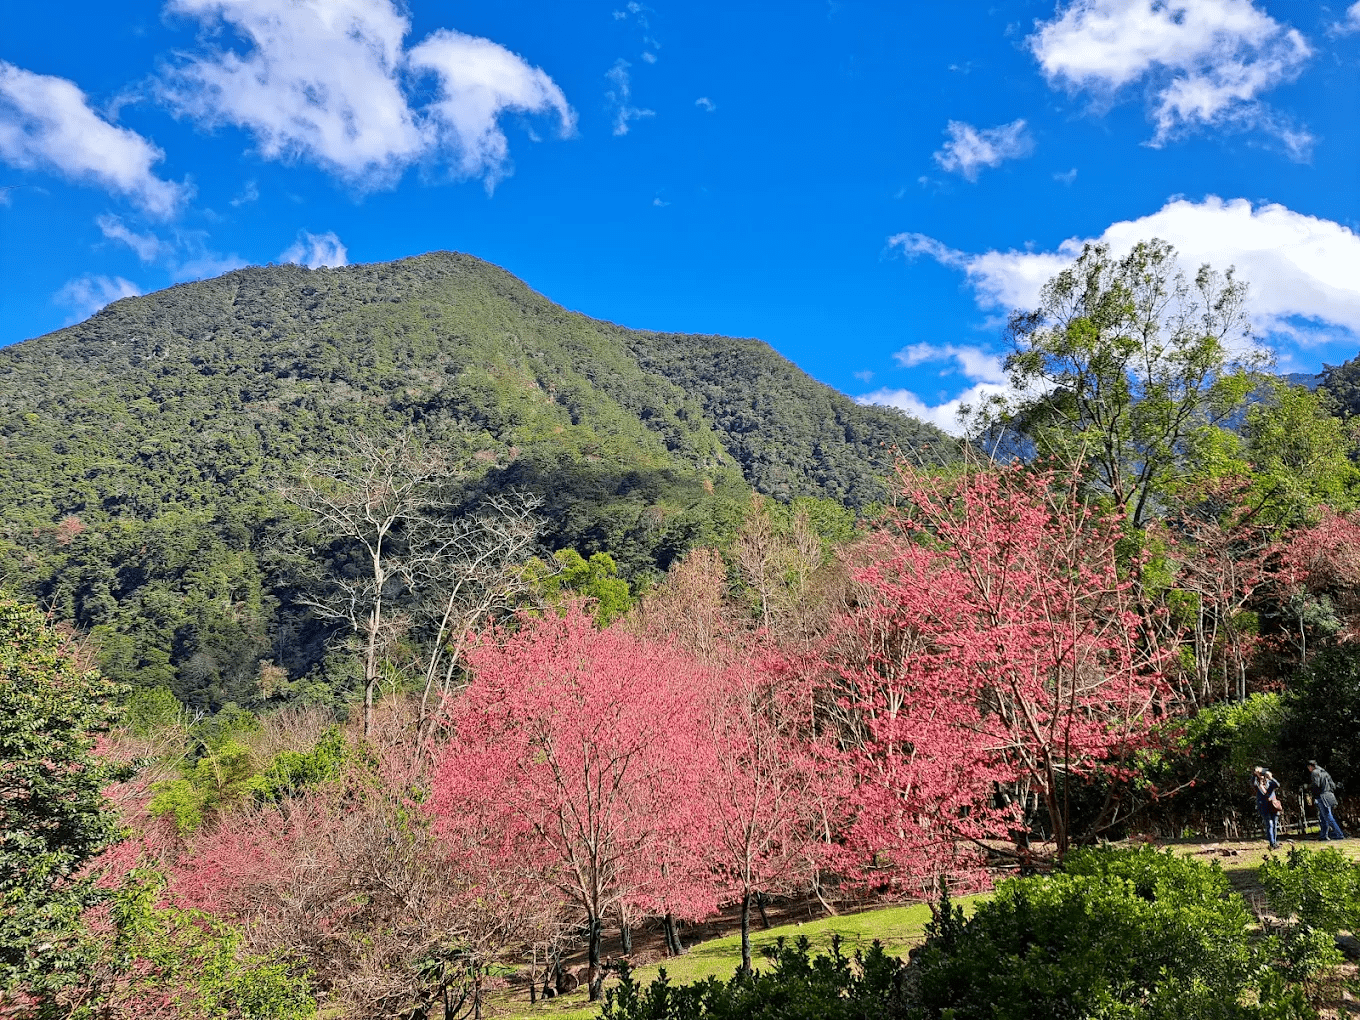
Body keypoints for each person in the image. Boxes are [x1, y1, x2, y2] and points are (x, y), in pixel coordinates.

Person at [1307, 759, 1347, 841]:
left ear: (1311, 766)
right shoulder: (1325, 772)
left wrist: (1308, 788)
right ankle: (1323, 836)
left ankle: (1339, 834)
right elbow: (1333, 785)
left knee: (1328, 816)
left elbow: (1316, 785)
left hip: (1322, 796)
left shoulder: (1314, 773)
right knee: (1323, 817)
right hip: (1330, 795)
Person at [1254, 766, 1283, 850]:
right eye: (1262, 773)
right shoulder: (1257, 782)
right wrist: (1256, 774)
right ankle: (1272, 843)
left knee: (1274, 824)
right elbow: (1253, 783)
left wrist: (1271, 777)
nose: (1263, 775)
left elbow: (1277, 785)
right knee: (1269, 824)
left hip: (1273, 805)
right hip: (1264, 806)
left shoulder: (1269, 782)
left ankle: (1275, 842)